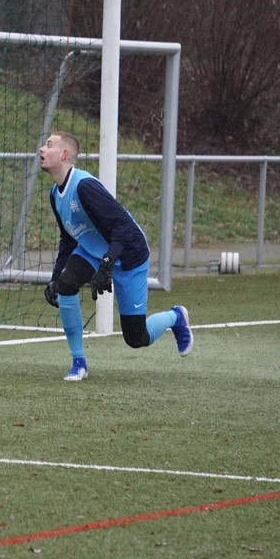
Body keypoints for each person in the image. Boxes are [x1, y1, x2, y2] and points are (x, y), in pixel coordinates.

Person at [39, 131, 192, 381]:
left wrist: (108, 264)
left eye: (49, 145)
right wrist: (56, 277)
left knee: (136, 338)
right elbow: (68, 239)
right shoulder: (55, 195)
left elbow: (124, 228)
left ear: (64, 154)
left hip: (129, 254)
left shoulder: (85, 186)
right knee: (66, 286)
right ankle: (79, 363)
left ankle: (176, 316)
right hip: (92, 250)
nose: (41, 150)